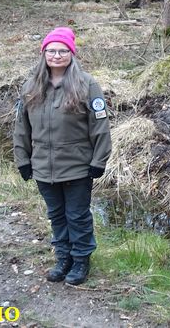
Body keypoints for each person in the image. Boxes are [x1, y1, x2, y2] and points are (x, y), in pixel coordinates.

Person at [13, 27, 112, 286]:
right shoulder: (30, 86)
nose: (57, 55)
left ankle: (81, 261)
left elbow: (100, 126)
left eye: (63, 51)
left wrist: (98, 161)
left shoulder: (87, 84)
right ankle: (63, 258)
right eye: (52, 51)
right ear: (43, 53)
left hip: (78, 167)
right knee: (56, 215)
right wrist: (22, 159)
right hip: (43, 168)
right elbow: (21, 128)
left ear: (71, 54)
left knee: (77, 216)